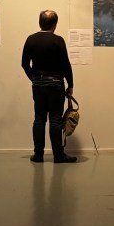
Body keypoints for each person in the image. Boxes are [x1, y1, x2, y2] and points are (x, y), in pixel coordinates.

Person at [21, 9, 76, 163]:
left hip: (38, 85)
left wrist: (34, 78)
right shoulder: (58, 40)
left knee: (39, 119)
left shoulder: (30, 39)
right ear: (54, 24)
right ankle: (58, 156)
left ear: (40, 23)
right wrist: (70, 84)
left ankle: (38, 155)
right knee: (56, 119)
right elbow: (66, 65)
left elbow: (24, 64)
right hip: (55, 85)